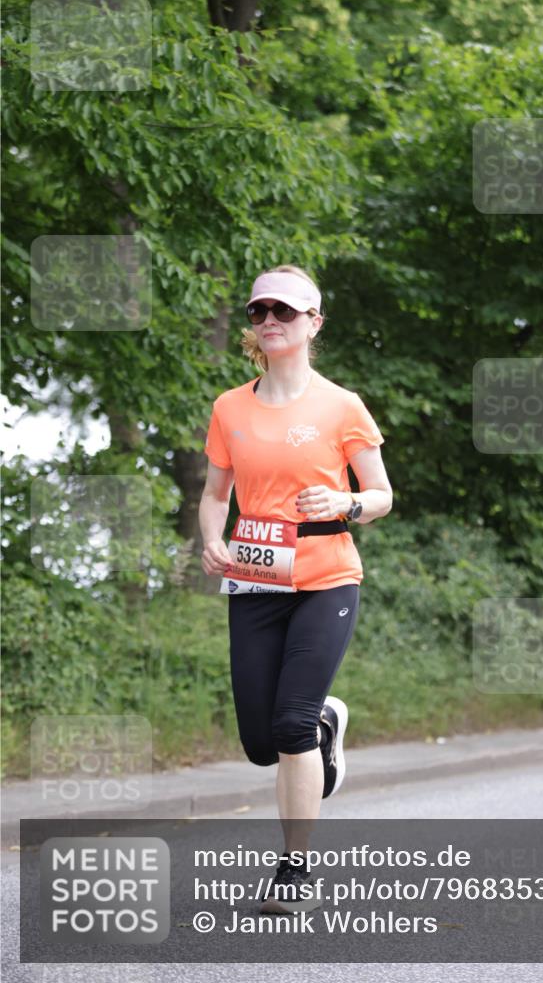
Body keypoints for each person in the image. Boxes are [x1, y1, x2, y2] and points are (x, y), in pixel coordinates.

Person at [199, 264, 392, 914]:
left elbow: (383, 495)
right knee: (260, 744)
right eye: (259, 312)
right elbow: (214, 493)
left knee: (289, 725)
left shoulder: (342, 405)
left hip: (326, 574)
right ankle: (326, 722)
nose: (270, 321)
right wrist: (211, 539)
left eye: (285, 310)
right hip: (255, 577)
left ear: (313, 322)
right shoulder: (229, 407)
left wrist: (345, 499)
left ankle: (293, 871)